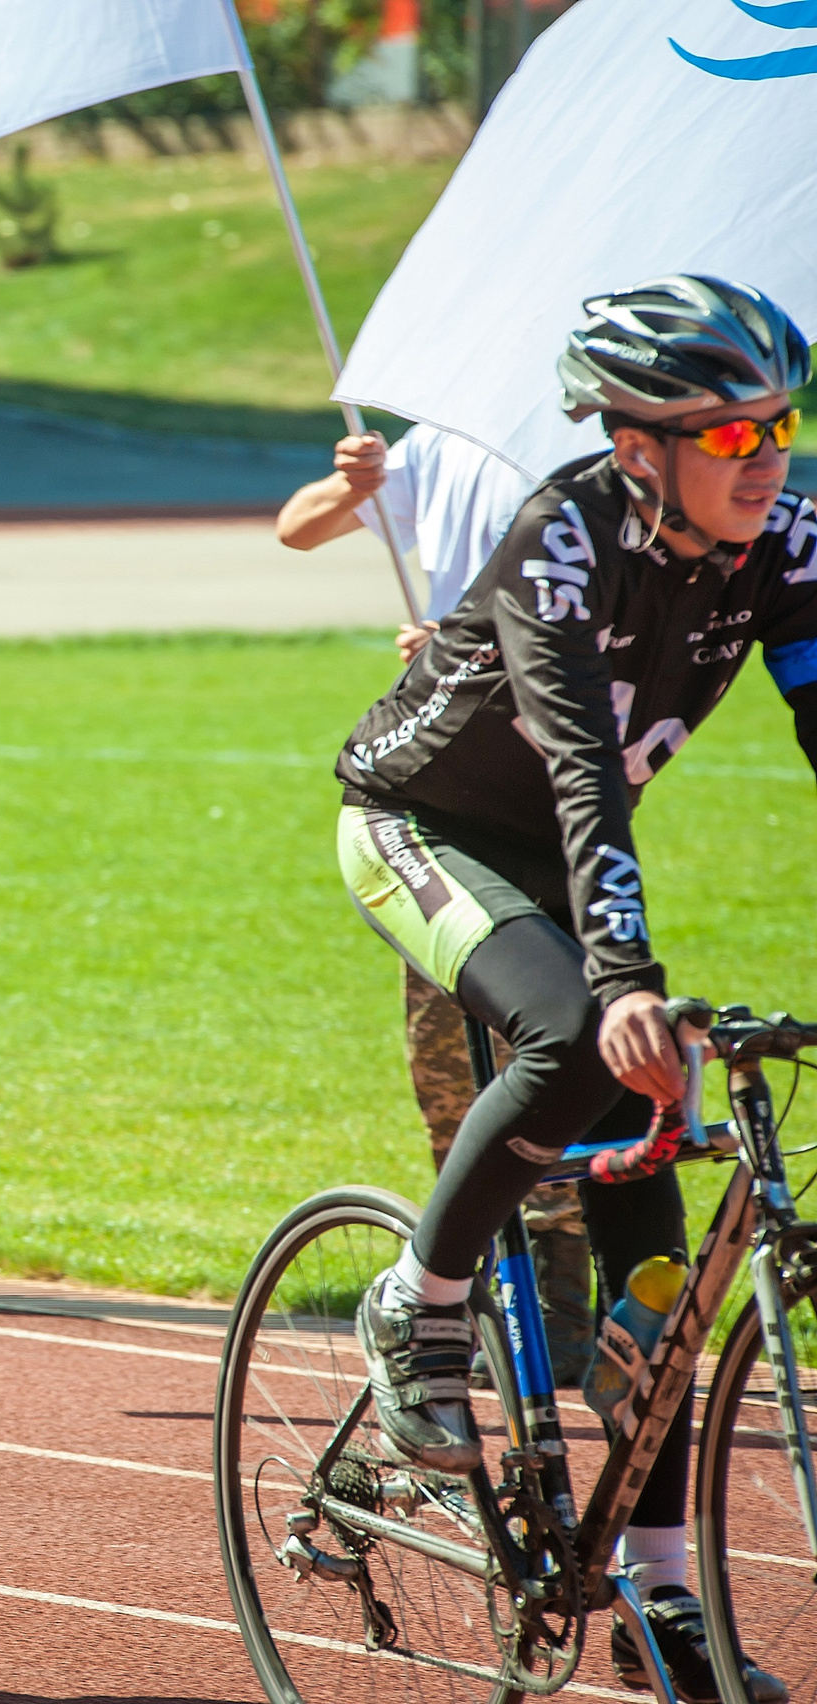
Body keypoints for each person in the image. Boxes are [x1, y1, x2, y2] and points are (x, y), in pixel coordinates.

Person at [337, 275, 806, 1703]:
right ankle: (416, 1300)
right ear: (637, 446)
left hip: (555, 863)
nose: (768, 457)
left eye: (780, 425)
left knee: (659, 1292)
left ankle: (663, 1605)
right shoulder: (562, 538)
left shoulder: (787, 536)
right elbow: (583, 773)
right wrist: (622, 980)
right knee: (572, 1034)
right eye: (729, 437)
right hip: (424, 830)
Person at [277, 425, 597, 1381]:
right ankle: (469, 1299)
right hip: (445, 787)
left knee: (568, 1057)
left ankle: (563, 1306)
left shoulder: (592, 449)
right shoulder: (444, 431)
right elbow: (297, 528)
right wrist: (354, 487)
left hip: (549, 794)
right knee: (449, 1075)